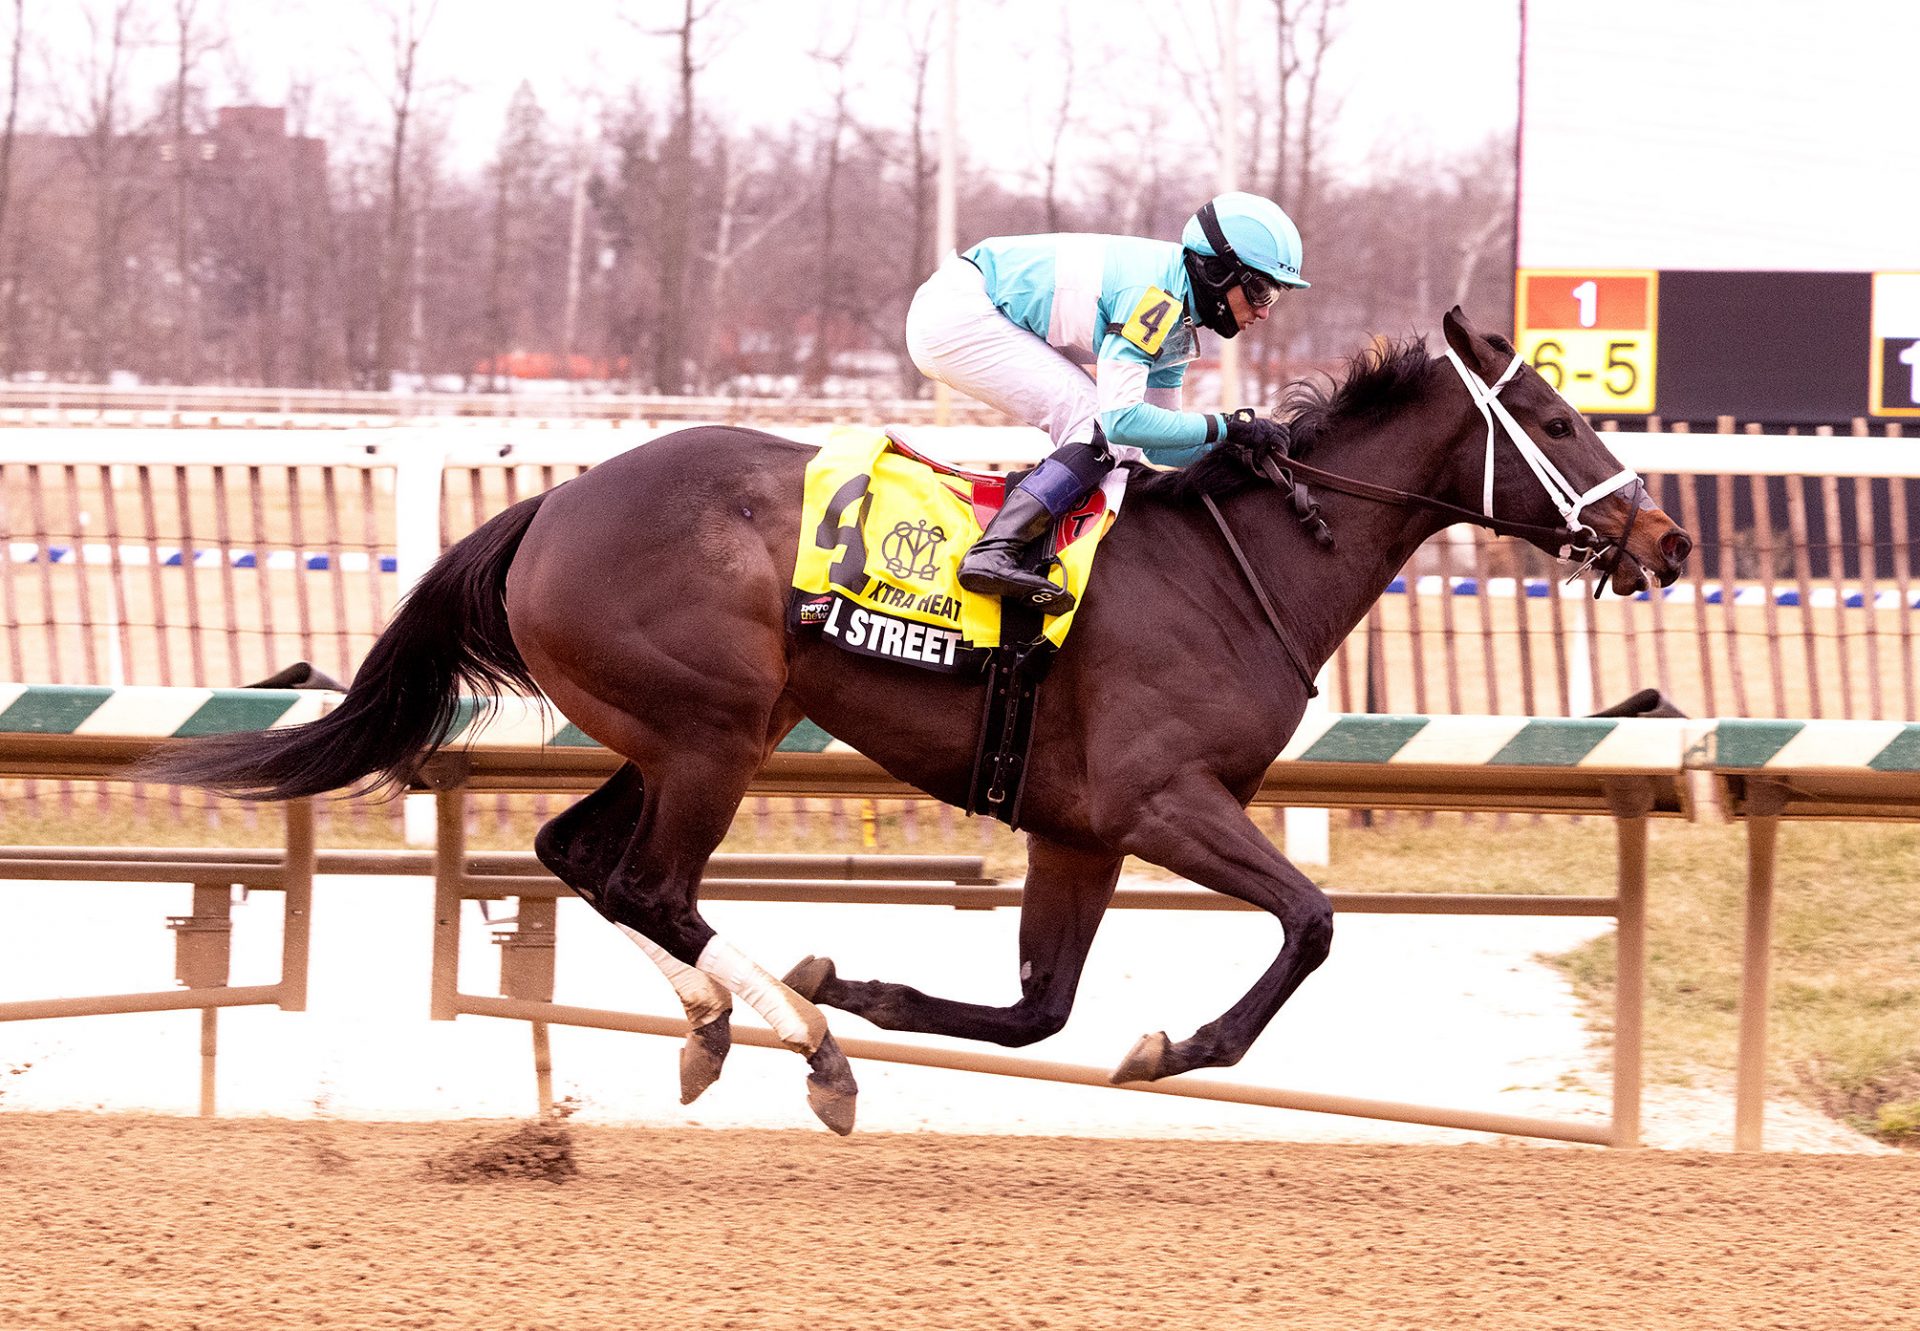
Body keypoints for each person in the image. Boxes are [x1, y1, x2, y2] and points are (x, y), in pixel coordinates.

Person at [905, 191, 1309, 612]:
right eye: (1261, 290)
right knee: (1094, 421)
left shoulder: (1179, 317)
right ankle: (993, 551)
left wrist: (1233, 446)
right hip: (958, 314)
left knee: (1117, 442)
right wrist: (1226, 426)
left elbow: (1155, 442)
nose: (1264, 312)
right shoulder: (1156, 298)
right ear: (1217, 273)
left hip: (970, 306)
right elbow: (1120, 421)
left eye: (1273, 296)